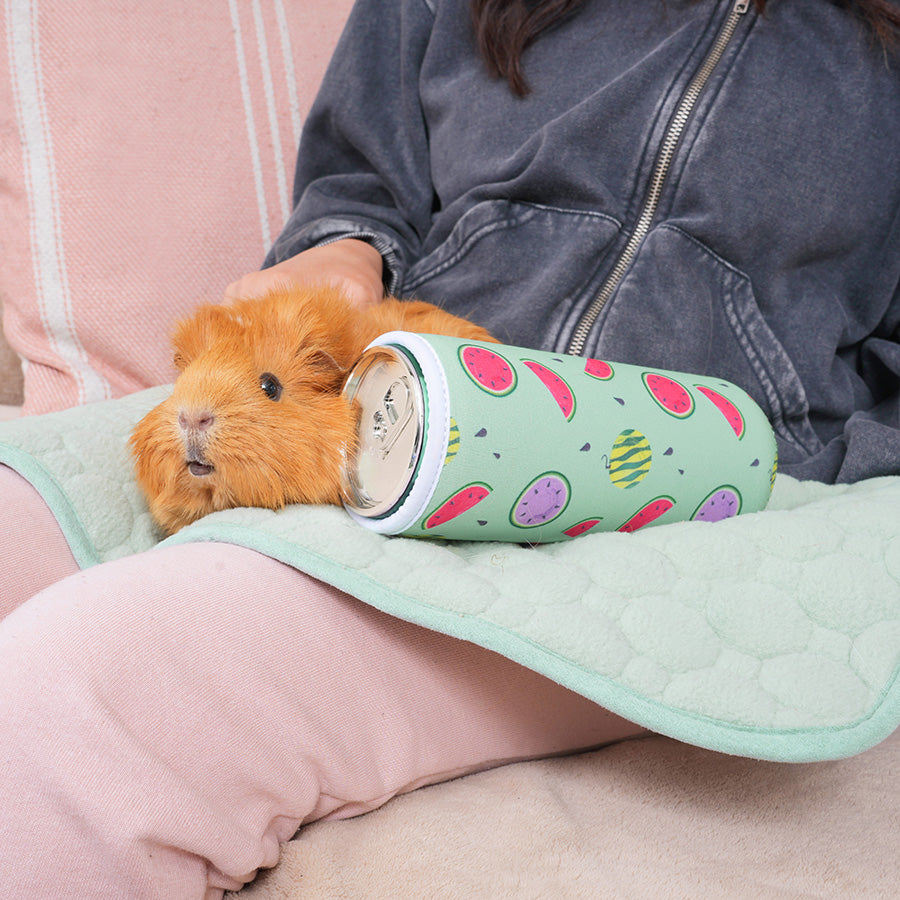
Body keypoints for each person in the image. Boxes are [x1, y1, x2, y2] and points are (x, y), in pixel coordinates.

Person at [1, 0, 899, 896]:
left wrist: (817, 468)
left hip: (702, 498)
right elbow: (362, 180)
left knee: (86, 701)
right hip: (388, 406)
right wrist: (340, 251)